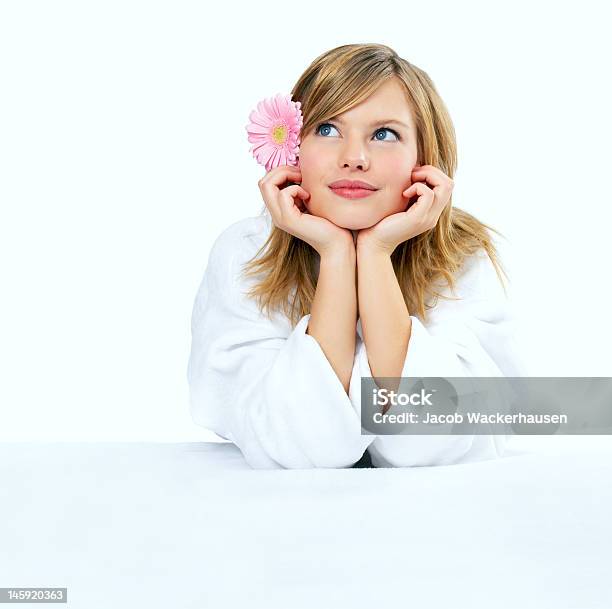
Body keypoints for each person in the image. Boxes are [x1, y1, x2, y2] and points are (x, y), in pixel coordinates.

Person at [187, 43, 527, 469]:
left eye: (384, 134)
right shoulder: (246, 252)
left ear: (424, 159)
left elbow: (429, 439)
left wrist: (376, 252)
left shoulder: (459, 257)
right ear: (293, 148)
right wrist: (334, 254)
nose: (354, 159)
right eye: (328, 129)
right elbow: (304, 447)